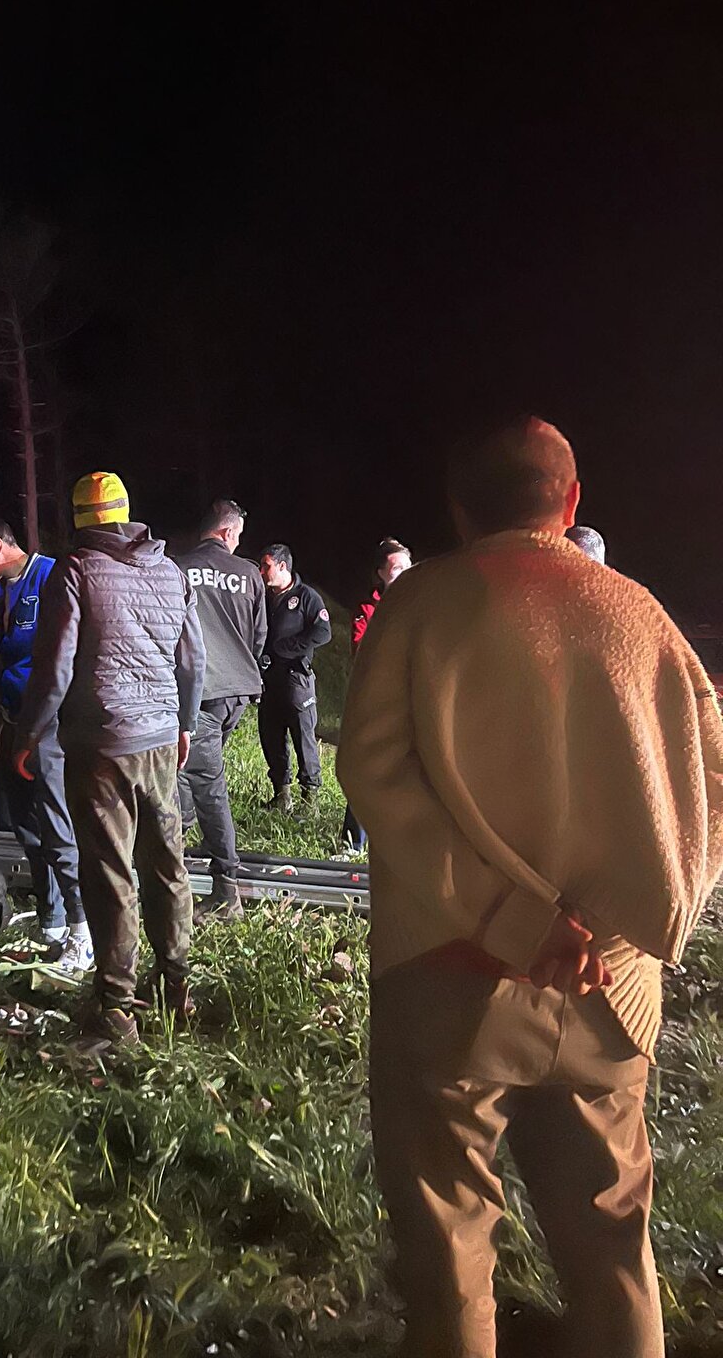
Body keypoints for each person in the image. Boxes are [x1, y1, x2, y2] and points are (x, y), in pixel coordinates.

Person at [338, 416, 723, 1358]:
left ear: (459, 509)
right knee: (613, 1254)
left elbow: (377, 779)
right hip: (609, 995)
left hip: (451, 981)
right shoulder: (646, 619)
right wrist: (629, 935)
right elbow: (709, 793)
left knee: (451, 1255)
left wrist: (521, 922)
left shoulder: (420, 606)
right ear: (573, 499)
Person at [14, 471, 204, 1047]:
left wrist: (29, 734)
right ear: (127, 512)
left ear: (79, 519)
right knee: (168, 864)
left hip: (100, 746)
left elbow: (55, 667)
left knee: (110, 872)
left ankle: (118, 1007)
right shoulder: (169, 571)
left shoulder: (76, 571)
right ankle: (177, 991)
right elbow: (192, 662)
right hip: (158, 741)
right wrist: (184, 725)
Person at [0, 514, 91, 970]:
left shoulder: (52, 576)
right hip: (14, 719)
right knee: (25, 823)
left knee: (58, 825)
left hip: (51, 723)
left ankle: (83, 929)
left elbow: (71, 653)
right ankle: (52, 920)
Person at [175, 498, 266, 921]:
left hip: (199, 690)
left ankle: (226, 888)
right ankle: (186, 822)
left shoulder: (178, 568)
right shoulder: (249, 574)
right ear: (228, 533)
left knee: (205, 780)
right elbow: (259, 635)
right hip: (235, 692)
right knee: (191, 769)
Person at [342, 537, 412, 850]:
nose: (403, 575)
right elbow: (361, 652)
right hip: (377, 702)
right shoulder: (368, 609)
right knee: (366, 770)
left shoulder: (420, 604)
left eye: (408, 569)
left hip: (414, 702)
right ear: (381, 574)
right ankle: (352, 843)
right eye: (396, 569)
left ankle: (401, 842)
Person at [256, 543, 332, 810]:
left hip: (296, 678)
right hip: (268, 679)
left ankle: (309, 800)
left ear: (282, 566)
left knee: (303, 737)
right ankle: (281, 796)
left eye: (266, 566)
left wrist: (288, 648)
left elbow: (323, 632)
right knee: (271, 735)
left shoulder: (306, 596)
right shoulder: (264, 596)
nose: (261, 571)